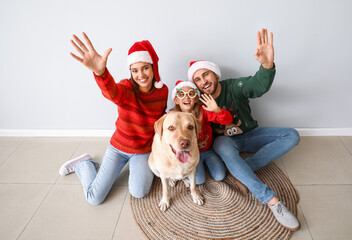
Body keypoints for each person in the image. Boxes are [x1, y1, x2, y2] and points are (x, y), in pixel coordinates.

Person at [187, 29, 301, 231]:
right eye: (198, 79)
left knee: (292, 135)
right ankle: (272, 201)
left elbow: (258, 86)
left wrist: (266, 65)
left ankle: (243, 170)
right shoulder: (199, 102)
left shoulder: (234, 86)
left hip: (251, 134)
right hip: (226, 142)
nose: (204, 81)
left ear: (215, 74)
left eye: (206, 75)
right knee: (221, 144)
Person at [59, 32, 168, 205]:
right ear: (130, 72)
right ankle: (84, 164)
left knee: (139, 192)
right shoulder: (126, 88)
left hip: (142, 151)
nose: (141, 74)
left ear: (153, 67)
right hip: (119, 148)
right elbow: (112, 92)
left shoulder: (163, 91)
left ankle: (135, 168)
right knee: (94, 198)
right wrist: (101, 72)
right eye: (135, 70)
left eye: (145, 68)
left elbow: (160, 119)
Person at [171, 80, 233, 184]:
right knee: (199, 180)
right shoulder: (172, 117)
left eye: (190, 94)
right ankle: (181, 174)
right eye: (182, 94)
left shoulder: (203, 110)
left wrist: (217, 110)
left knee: (220, 176)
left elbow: (228, 120)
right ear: (176, 100)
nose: (186, 97)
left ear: (196, 98)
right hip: (189, 153)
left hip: (207, 150)